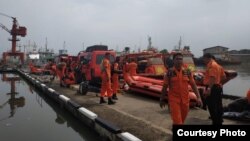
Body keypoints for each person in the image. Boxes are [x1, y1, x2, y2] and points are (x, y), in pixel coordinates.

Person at [160, 53, 203, 125]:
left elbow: (193, 84)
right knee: (178, 122)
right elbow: (165, 86)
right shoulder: (170, 72)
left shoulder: (187, 72)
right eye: (177, 59)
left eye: (180, 59)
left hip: (185, 101)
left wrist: (198, 97)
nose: (179, 61)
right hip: (174, 100)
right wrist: (162, 99)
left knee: (181, 121)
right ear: (173, 61)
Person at [203, 53, 226, 125]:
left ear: (207, 58)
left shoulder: (211, 65)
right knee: (218, 105)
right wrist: (219, 83)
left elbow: (212, 77)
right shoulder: (219, 66)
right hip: (218, 87)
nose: (204, 61)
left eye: (204, 59)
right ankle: (219, 121)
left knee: (212, 106)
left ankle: (215, 122)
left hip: (212, 87)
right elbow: (224, 77)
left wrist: (209, 88)